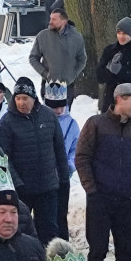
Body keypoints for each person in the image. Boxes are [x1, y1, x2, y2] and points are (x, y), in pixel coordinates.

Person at [76, 82, 131, 261]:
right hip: (99, 200)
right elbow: (82, 158)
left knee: (125, 255)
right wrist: (92, 191)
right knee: (97, 253)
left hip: (127, 202)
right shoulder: (95, 124)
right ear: (119, 99)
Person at [0, 77, 68, 246]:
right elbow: (3, 157)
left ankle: (49, 260)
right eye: (18, 98)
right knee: (20, 231)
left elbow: (59, 150)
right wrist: (17, 183)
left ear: (34, 98)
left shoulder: (48, 115)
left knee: (49, 230)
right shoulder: (7, 122)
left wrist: (63, 178)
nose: (21, 102)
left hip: (48, 186)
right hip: (22, 190)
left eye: (25, 98)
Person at [27, 8, 86, 106]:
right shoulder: (42, 36)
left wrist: (73, 74)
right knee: (48, 113)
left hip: (67, 86)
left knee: (64, 113)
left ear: (64, 21)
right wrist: (45, 73)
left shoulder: (77, 37)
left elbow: (82, 59)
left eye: (54, 19)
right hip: (48, 84)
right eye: (50, 18)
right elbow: (33, 58)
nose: (50, 22)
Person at [94, 17, 131, 113]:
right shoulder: (109, 50)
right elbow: (100, 77)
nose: (121, 36)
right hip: (111, 100)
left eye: (125, 33)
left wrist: (121, 71)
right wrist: (109, 70)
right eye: (119, 33)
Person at [44, 82, 79, 239]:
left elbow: (76, 148)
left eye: (61, 106)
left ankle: (62, 242)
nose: (58, 110)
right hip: (45, 175)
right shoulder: (42, 121)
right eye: (54, 107)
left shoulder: (72, 124)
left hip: (62, 175)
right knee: (46, 214)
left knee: (60, 213)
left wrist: (69, 165)